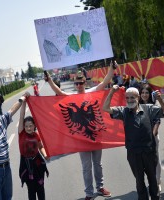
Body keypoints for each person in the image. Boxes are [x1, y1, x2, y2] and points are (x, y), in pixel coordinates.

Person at [44, 62, 116, 200]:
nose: (79, 86)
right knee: (86, 166)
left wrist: (112, 69)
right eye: (76, 83)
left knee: (98, 164)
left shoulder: (92, 92)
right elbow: (59, 92)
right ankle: (89, 193)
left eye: (81, 82)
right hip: (82, 138)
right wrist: (49, 80)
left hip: (96, 135)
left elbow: (105, 81)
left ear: (85, 82)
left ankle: (100, 187)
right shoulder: (70, 96)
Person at [103, 86, 164, 200]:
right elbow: (106, 108)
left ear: (138, 97)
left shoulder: (148, 108)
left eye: (132, 97)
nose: (129, 100)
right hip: (133, 153)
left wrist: (160, 99)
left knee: (153, 179)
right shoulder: (123, 111)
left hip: (149, 151)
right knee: (139, 180)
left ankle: (155, 197)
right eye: (127, 98)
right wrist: (112, 92)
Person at [0, 92, 30, 200]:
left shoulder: (1, 122)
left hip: (6, 169)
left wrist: (22, 97)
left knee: (8, 197)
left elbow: (12, 110)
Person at [18, 95, 49, 200]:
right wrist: (24, 102)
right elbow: (21, 116)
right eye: (26, 126)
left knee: (40, 189)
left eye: (31, 125)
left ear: (34, 126)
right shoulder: (21, 134)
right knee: (31, 191)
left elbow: (41, 148)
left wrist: (45, 155)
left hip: (38, 165)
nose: (28, 128)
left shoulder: (36, 136)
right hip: (27, 167)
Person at [139, 84, 164, 192]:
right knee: (144, 161)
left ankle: (157, 181)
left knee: (155, 159)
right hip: (140, 139)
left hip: (153, 137)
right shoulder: (136, 105)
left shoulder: (154, 105)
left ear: (150, 94)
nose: (144, 95)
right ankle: (148, 182)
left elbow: (157, 121)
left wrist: (152, 135)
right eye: (142, 93)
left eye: (147, 93)